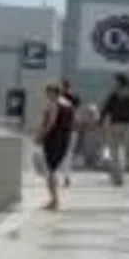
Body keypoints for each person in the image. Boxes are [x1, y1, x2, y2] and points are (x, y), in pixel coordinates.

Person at [36, 81, 75, 210]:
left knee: (50, 170)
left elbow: (50, 123)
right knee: (53, 169)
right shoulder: (68, 105)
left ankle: (54, 200)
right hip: (64, 139)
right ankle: (54, 199)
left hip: (52, 139)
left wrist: (40, 135)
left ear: (52, 92)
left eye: (48, 93)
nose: (47, 96)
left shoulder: (53, 105)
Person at [101, 78, 129, 184]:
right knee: (122, 150)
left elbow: (106, 109)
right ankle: (120, 175)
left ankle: (116, 176)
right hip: (127, 125)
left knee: (114, 151)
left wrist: (101, 121)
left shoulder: (114, 95)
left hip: (115, 124)